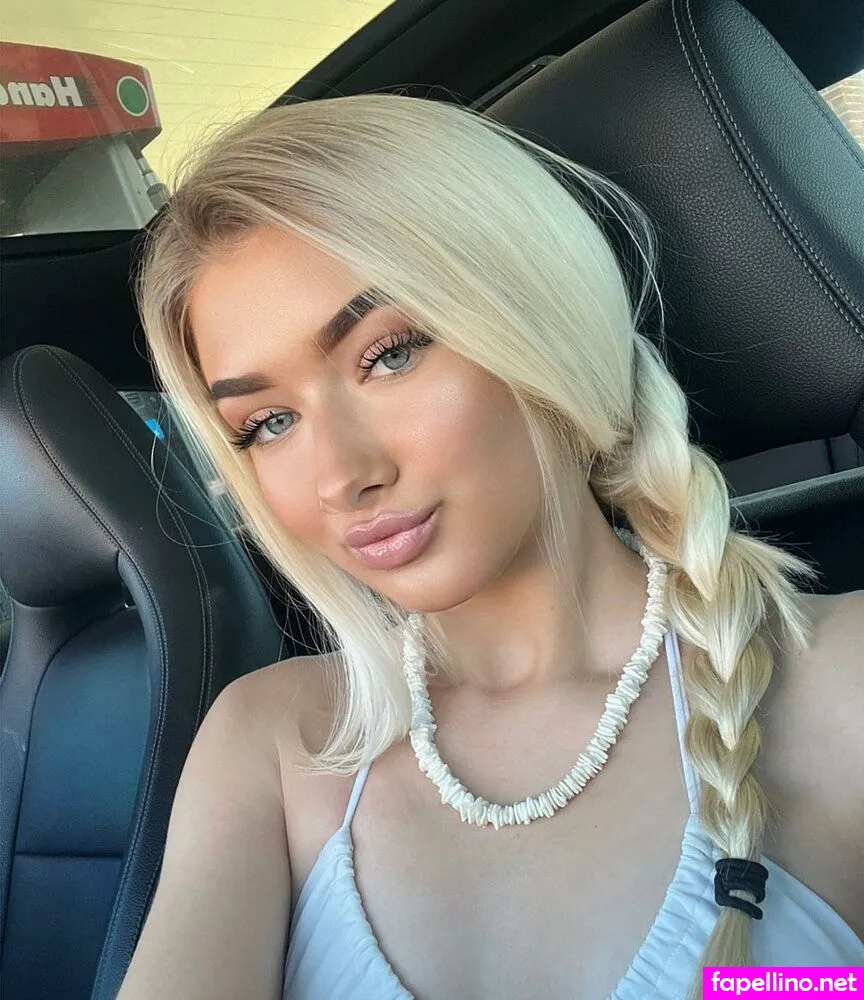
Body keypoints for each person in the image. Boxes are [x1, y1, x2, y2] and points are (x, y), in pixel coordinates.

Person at [117, 95, 864, 1000]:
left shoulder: (842, 685)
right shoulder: (274, 744)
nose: (340, 475)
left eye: (389, 354)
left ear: (538, 314)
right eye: (268, 422)